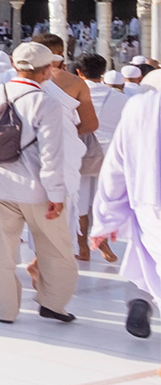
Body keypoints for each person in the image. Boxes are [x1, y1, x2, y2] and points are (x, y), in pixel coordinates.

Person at [0, 40, 79, 325]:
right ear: (46, 70)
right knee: (56, 249)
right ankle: (53, 302)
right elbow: (51, 153)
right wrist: (56, 193)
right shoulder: (46, 102)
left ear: (15, 65)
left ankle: (4, 310)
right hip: (37, 190)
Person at [91, 71, 161, 339]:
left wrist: (105, 219)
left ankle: (139, 300)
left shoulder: (139, 108)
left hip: (149, 205)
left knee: (144, 254)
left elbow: (115, 169)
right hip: (148, 204)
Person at [80, 54, 128, 264]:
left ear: (79, 72)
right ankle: (103, 242)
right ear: (103, 72)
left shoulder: (74, 94)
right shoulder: (120, 98)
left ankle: (83, 247)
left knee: (80, 202)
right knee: (103, 201)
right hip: (109, 156)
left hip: (81, 152)